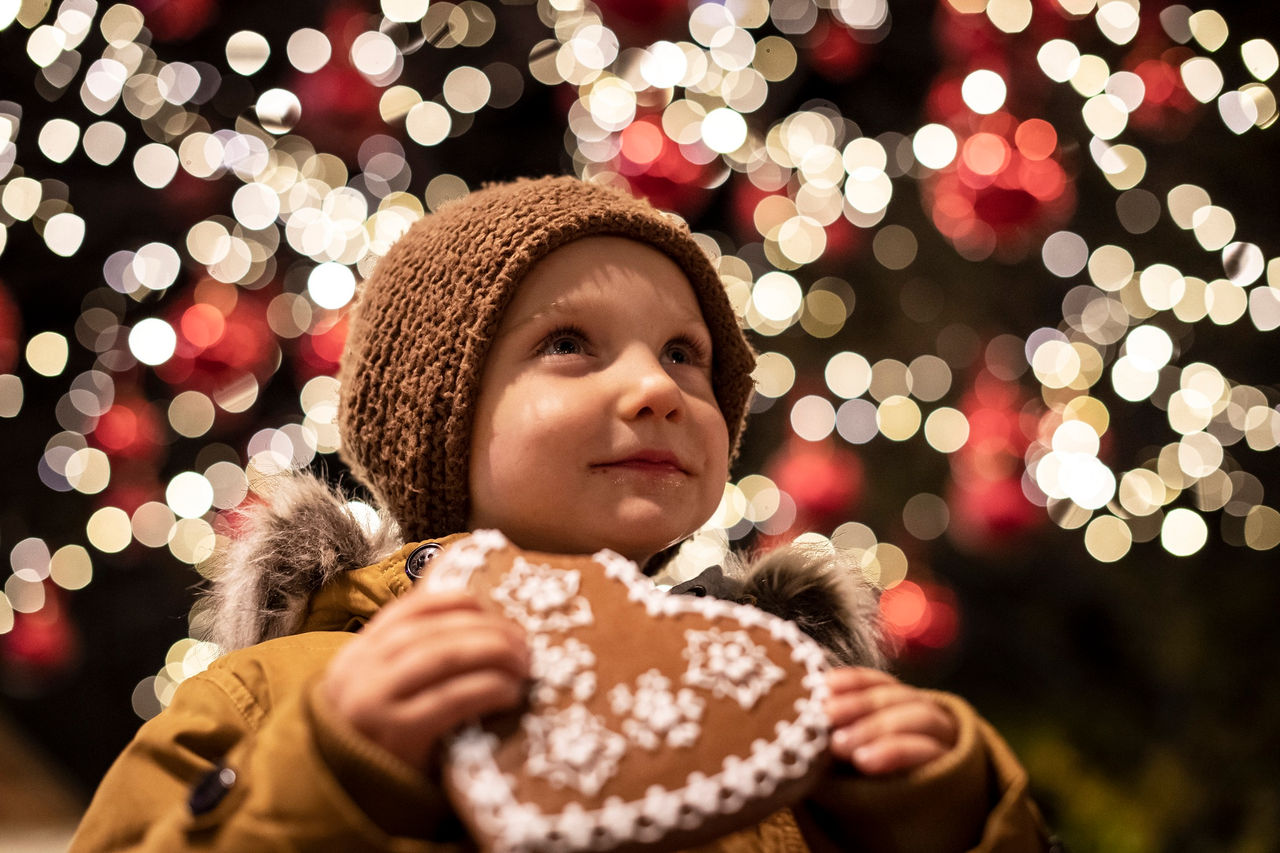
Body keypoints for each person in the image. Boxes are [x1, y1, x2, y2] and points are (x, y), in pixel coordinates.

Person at [71, 176, 1053, 851]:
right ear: (439, 416)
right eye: (571, 343)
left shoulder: (780, 717)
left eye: (683, 355)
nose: (656, 388)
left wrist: (954, 817)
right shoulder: (280, 695)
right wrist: (326, 775)